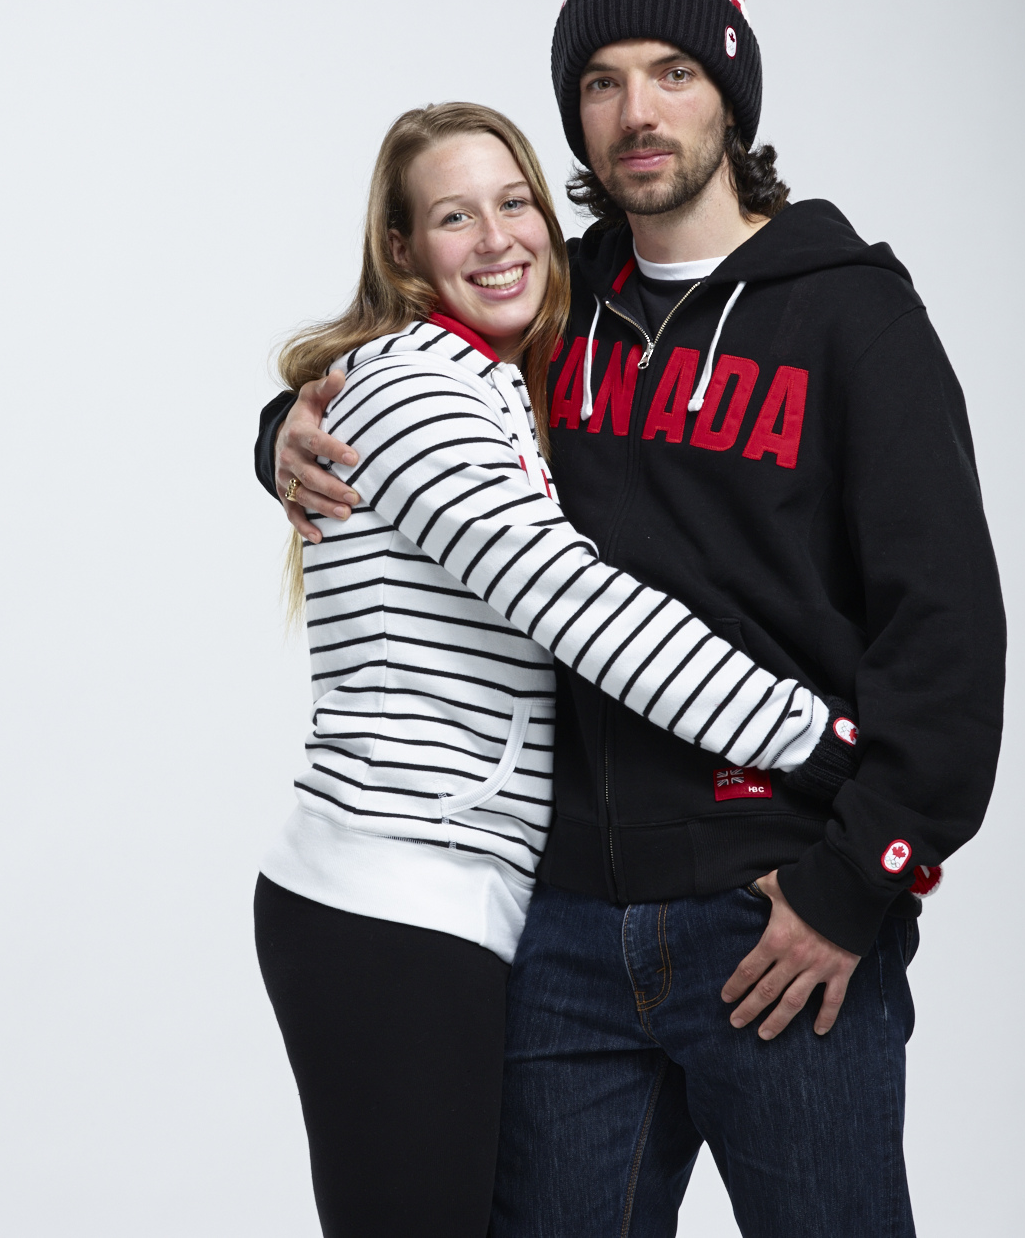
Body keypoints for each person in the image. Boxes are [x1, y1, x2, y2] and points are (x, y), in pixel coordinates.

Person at [257, 0, 1004, 1237]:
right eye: (601, 82)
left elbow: (948, 641)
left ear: (732, 91)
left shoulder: (853, 317)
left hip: (775, 918)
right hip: (558, 933)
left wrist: (854, 880)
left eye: (672, 71)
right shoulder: (549, 303)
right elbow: (401, 385)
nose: (635, 110)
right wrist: (282, 433)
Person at [254, 100, 861, 1238]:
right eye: (451, 216)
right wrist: (824, 745)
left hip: (439, 903)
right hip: (390, 901)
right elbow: (583, 608)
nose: (494, 239)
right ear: (402, 252)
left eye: (514, 201)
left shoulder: (495, 383)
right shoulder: (422, 387)